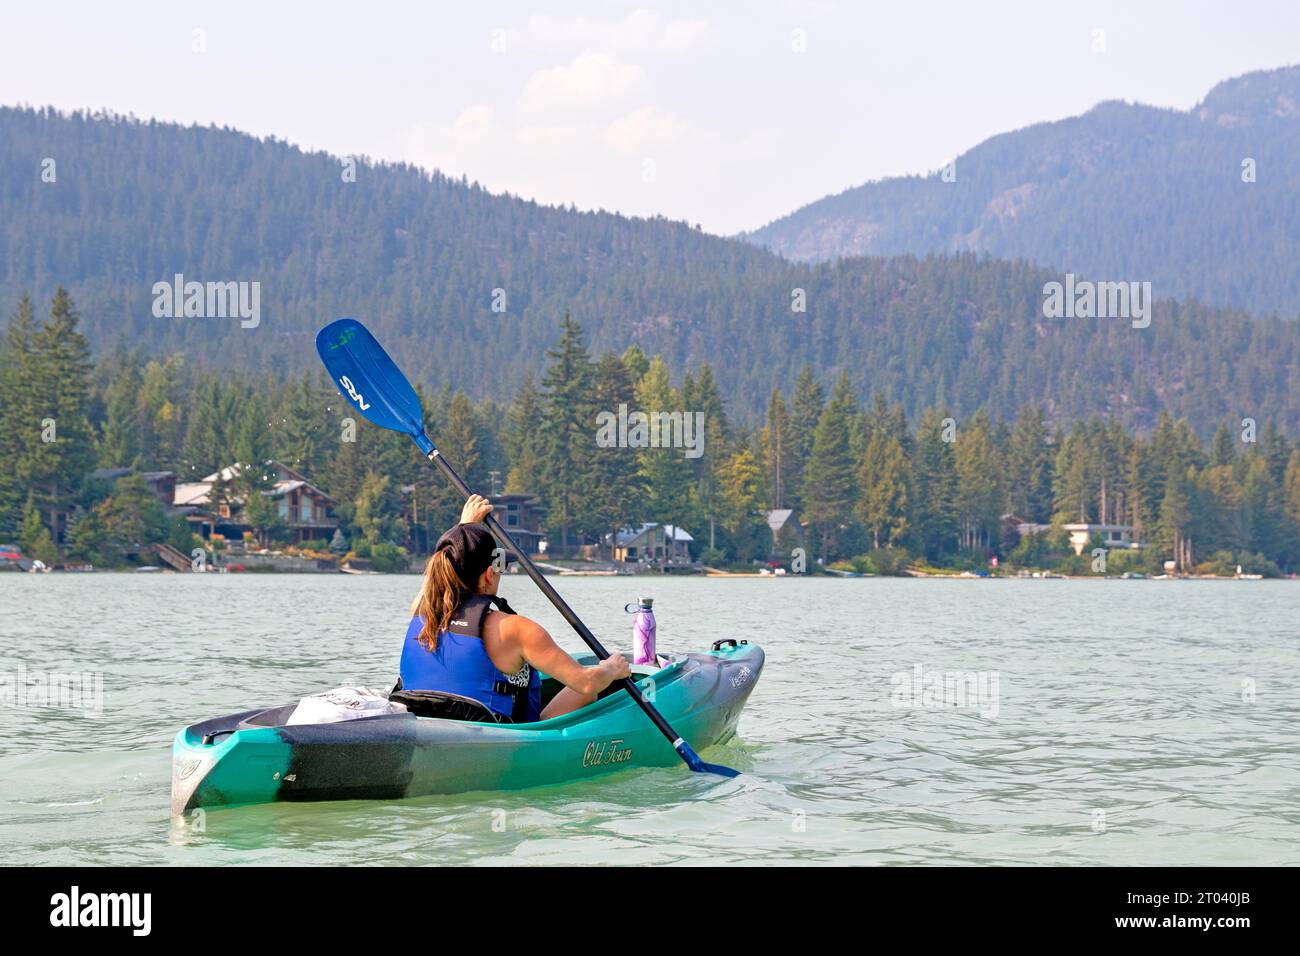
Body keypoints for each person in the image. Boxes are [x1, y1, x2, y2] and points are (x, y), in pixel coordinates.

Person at [399, 494, 631, 721]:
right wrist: (612, 668)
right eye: (501, 569)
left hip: (429, 729)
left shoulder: (421, 614)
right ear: (489, 575)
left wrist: (465, 530)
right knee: (588, 690)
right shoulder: (515, 629)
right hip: (501, 745)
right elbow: (586, 681)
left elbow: (445, 567)